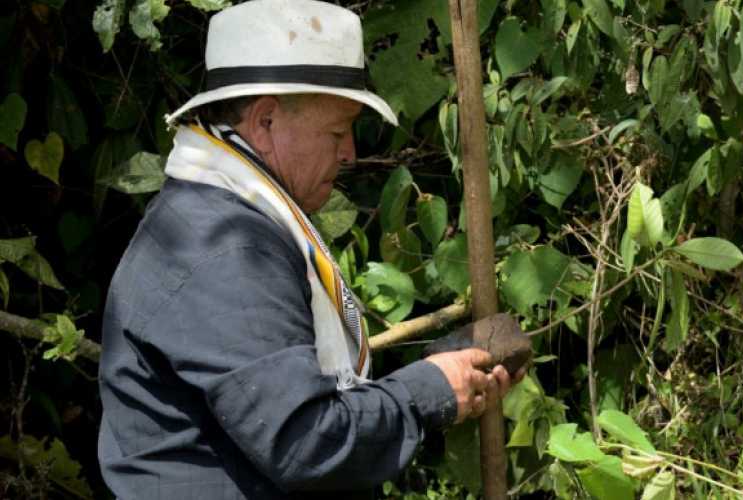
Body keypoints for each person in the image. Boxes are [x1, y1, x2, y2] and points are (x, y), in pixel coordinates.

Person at [98, 0, 524, 498]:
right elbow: (306, 442)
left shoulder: (220, 214)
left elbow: (293, 400)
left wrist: (438, 375)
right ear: (266, 121)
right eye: (337, 131)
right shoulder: (224, 249)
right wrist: (426, 391)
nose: (349, 153)